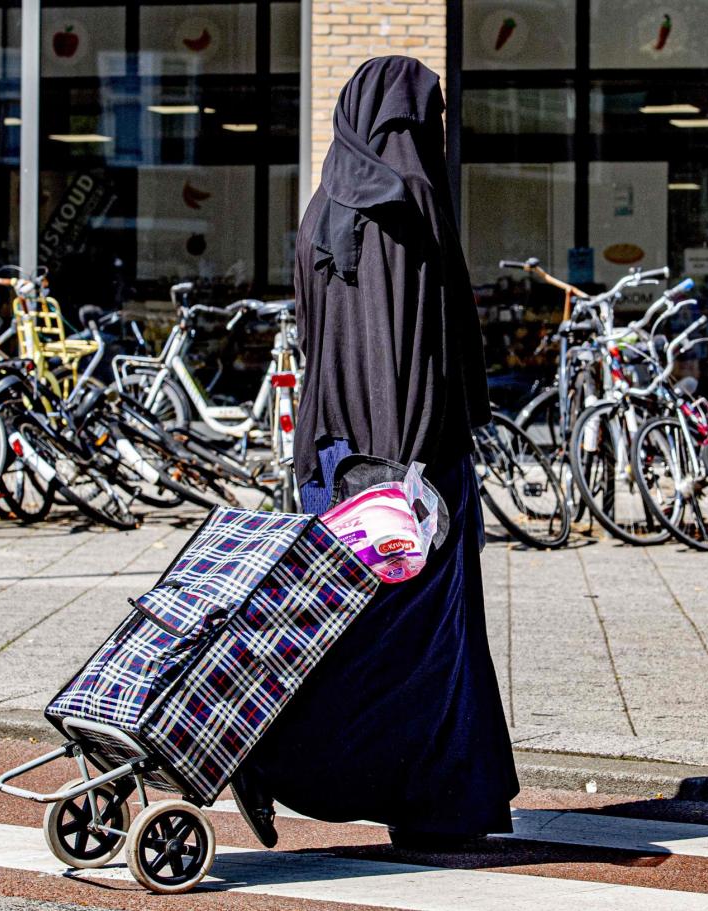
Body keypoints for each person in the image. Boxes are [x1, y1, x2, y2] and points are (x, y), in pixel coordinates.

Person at [232, 56, 518, 852]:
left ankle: (439, 806)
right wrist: (407, 470)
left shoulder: (324, 205)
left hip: (338, 459)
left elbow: (324, 343)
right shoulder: (405, 203)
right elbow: (406, 350)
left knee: (375, 635)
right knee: (415, 643)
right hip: (409, 465)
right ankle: (284, 755)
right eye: (428, 120)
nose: (433, 135)